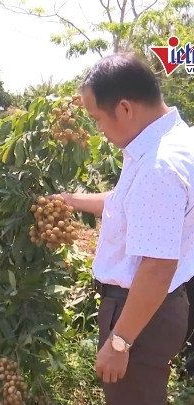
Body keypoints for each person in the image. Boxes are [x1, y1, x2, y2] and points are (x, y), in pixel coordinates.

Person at [57, 53, 193, 405]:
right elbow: (127, 204)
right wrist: (71, 200)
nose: (99, 129)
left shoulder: (158, 167)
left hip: (140, 314)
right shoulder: (174, 142)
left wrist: (120, 342)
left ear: (125, 109)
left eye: (98, 119)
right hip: (158, 309)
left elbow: (158, 266)